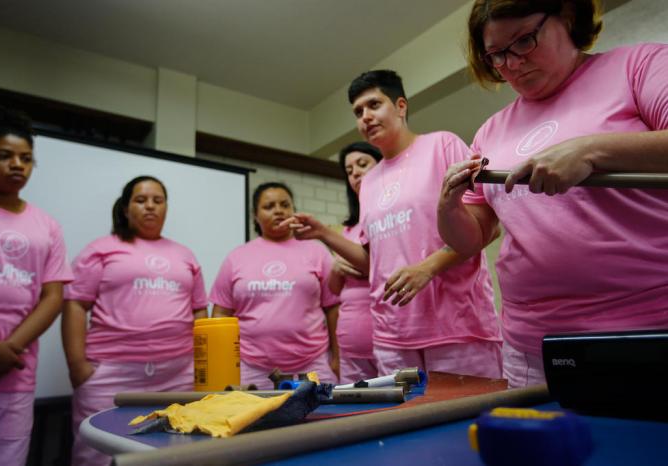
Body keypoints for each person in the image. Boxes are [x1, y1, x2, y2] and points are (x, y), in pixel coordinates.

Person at [438, 0, 668, 388]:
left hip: (646, 327)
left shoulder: (639, 66)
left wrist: (591, 151)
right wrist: (447, 206)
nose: (511, 64)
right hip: (531, 343)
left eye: (524, 41)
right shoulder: (490, 132)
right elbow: (473, 236)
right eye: (496, 55)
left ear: (568, 16)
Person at [286, 70, 502, 379]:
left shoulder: (442, 145)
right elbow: (372, 264)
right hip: (392, 335)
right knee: (404, 424)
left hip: (457, 328)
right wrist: (322, 233)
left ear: (401, 106)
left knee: (469, 424)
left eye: (374, 104)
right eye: (358, 112)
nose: (366, 117)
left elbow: (488, 228)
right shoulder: (370, 182)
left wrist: (427, 267)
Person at [62, 175, 208, 466]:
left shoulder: (184, 255)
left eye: (158, 200)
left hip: (177, 375)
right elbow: (76, 305)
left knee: (171, 452)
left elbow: (199, 311)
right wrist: (77, 365)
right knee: (98, 455)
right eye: (140, 200)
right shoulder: (101, 249)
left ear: (166, 207)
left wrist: (197, 366)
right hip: (111, 376)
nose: (150, 206)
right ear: (126, 208)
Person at [0, 107, 73, 466]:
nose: (17, 165)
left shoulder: (47, 225)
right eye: (4, 156)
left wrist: (6, 351)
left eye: (26, 159)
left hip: (14, 368)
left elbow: (52, 296)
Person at [209, 182, 340, 389]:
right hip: (251, 369)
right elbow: (221, 313)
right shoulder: (237, 257)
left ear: (293, 210)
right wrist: (222, 365)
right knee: (256, 421)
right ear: (255, 215)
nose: (278, 210)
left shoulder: (316, 251)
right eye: (269, 206)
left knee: (324, 420)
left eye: (285, 205)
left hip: (312, 365)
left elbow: (333, 308)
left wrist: (337, 358)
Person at [330, 142, 382, 383]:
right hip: (350, 342)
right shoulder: (348, 229)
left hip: (388, 340)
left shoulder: (391, 218)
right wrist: (336, 268)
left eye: (362, 165)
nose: (355, 173)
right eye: (349, 171)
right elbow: (333, 289)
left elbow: (374, 267)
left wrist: (321, 232)